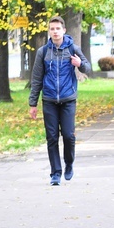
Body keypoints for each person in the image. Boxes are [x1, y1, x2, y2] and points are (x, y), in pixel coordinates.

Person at [28, 15, 92, 186]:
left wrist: (79, 64)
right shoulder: (43, 52)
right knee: (52, 137)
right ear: (49, 31)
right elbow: (36, 78)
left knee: (69, 136)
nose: (55, 31)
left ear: (64, 30)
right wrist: (32, 103)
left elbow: (88, 68)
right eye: (52, 29)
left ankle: (69, 164)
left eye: (58, 28)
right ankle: (55, 173)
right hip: (49, 100)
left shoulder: (73, 48)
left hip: (68, 99)